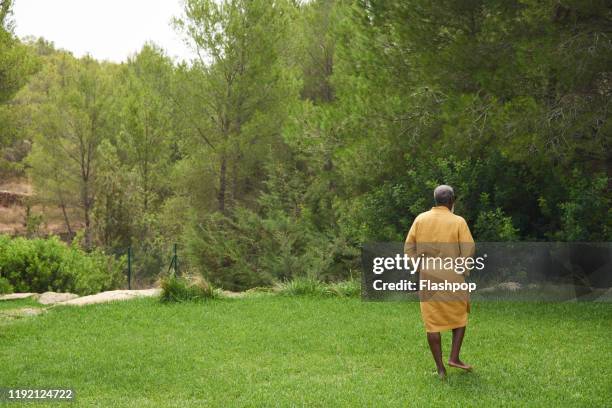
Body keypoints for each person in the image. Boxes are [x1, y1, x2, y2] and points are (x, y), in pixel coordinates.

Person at [404, 185, 475, 379]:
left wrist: (418, 266)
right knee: (460, 315)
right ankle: (454, 357)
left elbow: (409, 248)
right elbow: (468, 248)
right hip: (453, 276)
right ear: (452, 202)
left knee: (432, 323)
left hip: (428, 277)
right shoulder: (458, 221)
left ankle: (441, 369)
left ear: (435, 200)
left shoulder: (420, 219)